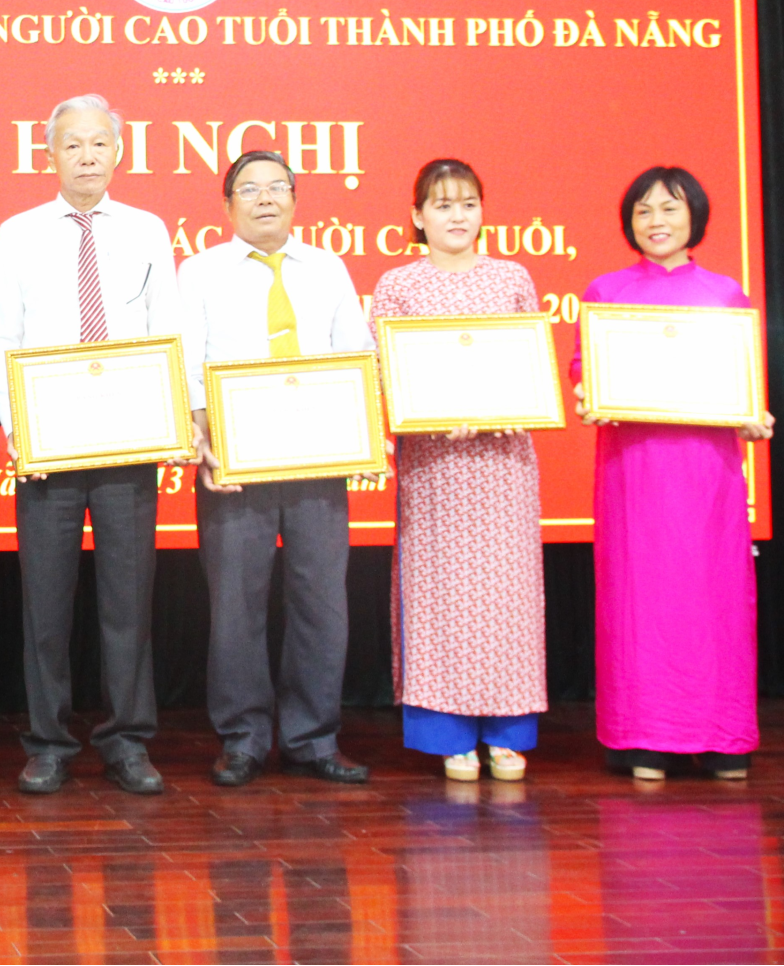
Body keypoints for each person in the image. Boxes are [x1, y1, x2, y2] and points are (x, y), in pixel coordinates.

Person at [0, 95, 181, 797]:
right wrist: (20, 432)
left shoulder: (148, 230)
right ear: (50, 155)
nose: (88, 157)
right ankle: (48, 743)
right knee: (47, 603)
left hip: (129, 442)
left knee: (129, 601)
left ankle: (128, 742)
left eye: (100, 144)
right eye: (73, 146)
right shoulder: (18, 233)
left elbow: (169, 330)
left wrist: (169, 421)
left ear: (119, 152)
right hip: (49, 446)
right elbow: (0, 336)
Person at [179, 149, 375, 787]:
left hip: (319, 455)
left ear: (295, 199)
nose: (265, 198)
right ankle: (242, 739)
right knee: (235, 603)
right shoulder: (200, 271)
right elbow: (188, 359)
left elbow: (356, 351)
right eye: (249, 189)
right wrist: (202, 433)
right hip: (237, 459)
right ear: (227, 205)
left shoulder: (327, 267)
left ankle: (313, 738)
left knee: (322, 601)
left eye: (277, 188)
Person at [573, 167, 773, 781]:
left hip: (707, 477)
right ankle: (644, 738)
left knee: (714, 597)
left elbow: (741, 384)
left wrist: (751, 414)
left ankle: (723, 737)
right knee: (639, 597)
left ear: (696, 217)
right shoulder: (606, 292)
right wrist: (588, 392)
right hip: (635, 473)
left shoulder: (724, 295)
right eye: (643, 211)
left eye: (670, 208)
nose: (656, 221)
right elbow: (585, 369)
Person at [370, 159, 547, 782]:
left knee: (507, 597)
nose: (457, 216)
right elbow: (386, 374)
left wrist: (507, 407)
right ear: (418, 216)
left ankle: (507, 734)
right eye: (442, 205)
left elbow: (533, 364)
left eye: (468, 203)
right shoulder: (398, 286)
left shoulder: (512, 278)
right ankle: (447, 733)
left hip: (504, 464)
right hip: (436, 467)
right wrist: (436, 414)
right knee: (440, 596)